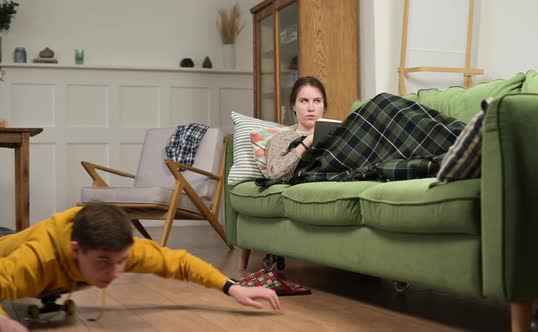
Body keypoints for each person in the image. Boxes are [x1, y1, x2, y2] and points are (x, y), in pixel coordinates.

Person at [0, 205, 280, 331]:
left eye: (122, 261)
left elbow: (180, 262)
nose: (116, 272)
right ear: (75, 250)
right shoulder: (36, 259)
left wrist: (232, 288)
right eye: (104, 263)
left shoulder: (117, 251)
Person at [265, 76, 328, 180]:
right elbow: (274, 173)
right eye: (304, 101)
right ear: (293, 105)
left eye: (317, 101)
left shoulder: (335, 135)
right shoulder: (281, 138)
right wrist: (307, 142)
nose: (311, 108)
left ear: (324, 106)